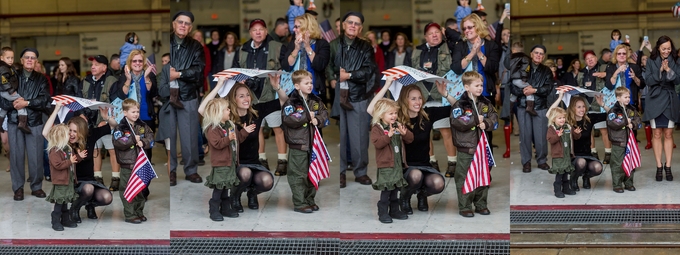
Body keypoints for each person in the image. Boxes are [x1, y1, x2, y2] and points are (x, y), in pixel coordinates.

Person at [369, 76, 446, 214]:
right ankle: (405, 197)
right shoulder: (396, 117)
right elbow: (371, 110)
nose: (418, 102)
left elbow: (456, 109)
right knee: (415, 176)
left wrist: (444, 94)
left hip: (425, 165)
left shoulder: (428, 114)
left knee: (438, 183)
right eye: (413, 98)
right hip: (405, 167)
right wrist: (386, 85)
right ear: (405, 100)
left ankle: (422, 195)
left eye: (420, 98)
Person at [41, 102, 115, 223]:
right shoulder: (64, 142)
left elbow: (114, 126)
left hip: (89, 180)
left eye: (75, 131)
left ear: (83, 131)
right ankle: (74, 209)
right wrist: (56, 110)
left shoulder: (90, 136)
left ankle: (90, 205)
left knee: (107, 197)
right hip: (71, 182)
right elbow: (45, 133)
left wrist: (107, 118)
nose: (71, 134)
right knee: (88, 189)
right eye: (69, 130)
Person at [327, 11, 376, 188]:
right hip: (340, 96)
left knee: (360, 137)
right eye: (350, 22)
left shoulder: (366, 47)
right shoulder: (333, 45)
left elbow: (368, 71)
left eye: (357, 24)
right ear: (344, 25)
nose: (353, 26)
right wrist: (332, 78)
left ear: (360, 28)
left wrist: (348, 75)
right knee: (343, 135)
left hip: (358, 96)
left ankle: (360, 172)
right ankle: (340, 173)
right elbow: (329, 65)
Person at [227, 75, 288, 213]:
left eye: (247, 95)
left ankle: (252, 193)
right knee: (245, 173)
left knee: (267, 181)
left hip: (254, 163)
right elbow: (205, 109)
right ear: (233, 99)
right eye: (241, 96)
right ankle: (235, 196)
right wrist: (221, 85)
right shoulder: (228, 116)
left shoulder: (256, 112)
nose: (246, 98)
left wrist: (276, 87)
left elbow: (284, 101)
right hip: (236, 165)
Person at [233, 18, 286, 172]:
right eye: (254, 30)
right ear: (250, 33)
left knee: (277, 128)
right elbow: (237, 70)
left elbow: (287, 67)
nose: (258, 32)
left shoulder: (277, 47)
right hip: (251, 98)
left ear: (266, 31)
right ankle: (261, 160)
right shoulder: (243, 49)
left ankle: (283, 161)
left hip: (271, 96)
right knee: (257, 130)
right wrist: (240, 80)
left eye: (261, 29)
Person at [451, 14, 500, 174]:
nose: (467, 30)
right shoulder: (460, 46)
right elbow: (457, 68)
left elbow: (492, 68)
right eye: (464, 28)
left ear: (478, 26)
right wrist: (472, 53)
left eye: (470, 27)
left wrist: (479, 52)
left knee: (485, 132)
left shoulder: (492, 46)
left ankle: (486, 170)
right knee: (467, 130)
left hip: (485, 93)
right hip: (465, 96)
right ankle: (470, 169)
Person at [2, 48, 50, 201]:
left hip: (35, 122)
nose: (30, 60)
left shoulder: (41, 79)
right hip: (15, 121)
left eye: (33, 58)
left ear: (36, 61)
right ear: (21, 60)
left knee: (36, 156)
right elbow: (2, 98)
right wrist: (16, 104)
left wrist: (26, 103)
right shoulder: (11, 76)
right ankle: (18, 188)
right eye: (27, 57)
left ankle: (36, 186)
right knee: (16, 156)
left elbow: (44, 100)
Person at [165, 11, 205, 185]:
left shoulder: (196, 47)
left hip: (188, 95)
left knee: (189, 136)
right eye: (180, 22)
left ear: (190, 28)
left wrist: (178, 74)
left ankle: (191, 170)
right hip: (167, 97)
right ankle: (171, 171)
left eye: (187, 23)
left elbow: (198, 72)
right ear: (174, 24)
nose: (183, 25)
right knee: (170, 135)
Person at [281, 70, 329, 213]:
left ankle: (310, 200)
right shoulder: (292, 102)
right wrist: (307, 116)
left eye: (311, 82)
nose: (310, 85)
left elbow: (325, 116)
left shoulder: (316, 101)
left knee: (313, 174)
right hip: (299, 145)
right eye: (306, 83)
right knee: (298, 175)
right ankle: (300, 202)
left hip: (314, 145)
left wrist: (318, 120)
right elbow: (288, 119)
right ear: (297, 86)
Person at [450, 71, 497, 217]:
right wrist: (476, 120)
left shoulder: (486, 103)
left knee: (483, 176)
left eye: (481, 85)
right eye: (476, 85)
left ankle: (481, 204)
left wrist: (487, 123)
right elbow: (457, 122)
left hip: (482, 148)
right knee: (464, 177)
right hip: (467, 149)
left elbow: (494, 118)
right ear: (466, 87)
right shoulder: (460, 104)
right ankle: (464, 206)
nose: (480, 88)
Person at [198, 86, 245, 221]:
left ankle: (225, 208)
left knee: (226, 188)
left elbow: (238, 139)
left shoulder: (229, 125)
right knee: (219, 189)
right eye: (226, 109)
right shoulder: (212, 129)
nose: (229, 111)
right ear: (219, 113)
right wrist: (228, 138)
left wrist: (244, 132)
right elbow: (217, 144)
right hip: (220, 164)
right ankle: (214, 209)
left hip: (230, 162)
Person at [642, 35, 680, 182]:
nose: (666, 51)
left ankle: (668, 166)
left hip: (670, 98)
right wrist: (660, 71)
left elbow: (678, 79)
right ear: (658, 48)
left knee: (669, 134)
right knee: (656, 133)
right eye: (664, 49)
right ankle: (659, 166)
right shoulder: (651, 60)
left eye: (669, 48)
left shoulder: (676, 59)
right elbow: (649, 80)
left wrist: (669, 70)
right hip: (654, 98)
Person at [510, 45, 552, 173]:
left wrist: (535, 90)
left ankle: (542, 161)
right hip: (523, 106)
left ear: (543, 57)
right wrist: (524, 91)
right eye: (536, 53)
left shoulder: (546, 71)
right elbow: (512, 86)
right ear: (531, 54)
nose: (538, 55)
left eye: (541, 54)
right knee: (525, 136)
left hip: (540, 107)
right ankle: (526, 162)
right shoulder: (521, 66)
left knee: (540, 137)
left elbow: (548, 88)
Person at [111, 98, 154, 224]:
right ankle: (130, 214)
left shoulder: (143, 126)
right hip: (127, 165)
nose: (136, 114)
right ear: (125, 113)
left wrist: (143, 142)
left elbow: (151, 139)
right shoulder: (120, 128)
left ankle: (138, 212)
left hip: (140, 164)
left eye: (137, 111)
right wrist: (132, 140)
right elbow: (118, 142)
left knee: (140, 190)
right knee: (127, 189)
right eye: (133, 112)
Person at [369, 98, 411, 223]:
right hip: (386, 165)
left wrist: (405, 133)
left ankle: (394, 210)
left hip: (397, 164)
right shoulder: (377, 128)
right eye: (390, 113)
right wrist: (388, 136)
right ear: (381, 115)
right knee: (387, 190)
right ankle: (382, 212)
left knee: (395, 189)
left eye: (395, 113)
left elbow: (410, 139)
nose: (394, 116)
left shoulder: (398, 125)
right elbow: (377, 143)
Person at [82, 55, 120, 186]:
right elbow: (81, 100)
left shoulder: (112, 81)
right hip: (90, 123)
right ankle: (98, 178)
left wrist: (107, 120)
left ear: (104, 68)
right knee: (95, 150)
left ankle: (116, 179)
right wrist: (82, 115)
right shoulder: (86, 81)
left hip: (106, 122)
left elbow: (115, 102)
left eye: (96, 64)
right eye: (92, 64)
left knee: (112, 150)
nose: (93, 66)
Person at [43, 123, 80, 231]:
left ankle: (65, 219)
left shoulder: (66, 148)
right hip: (60, 181)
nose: (70, 135)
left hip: (68, 180)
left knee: (65, 201)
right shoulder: (54, 151)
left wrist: (79, 157)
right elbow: (58, 165)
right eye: (67, 134)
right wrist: (70, 161)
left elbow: (72, 160)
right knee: (59, 202)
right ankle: (55, 220)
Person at [605, 87, 640, 193]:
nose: (628, 99)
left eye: (629, 97)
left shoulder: (632, 109)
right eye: (625, 97)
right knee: (617, 164)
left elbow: (638, 121)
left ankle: (629, 183)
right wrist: (625, 121)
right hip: (618, 142)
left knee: (630, 163)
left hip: (630, 142)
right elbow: (613, 123)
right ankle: (617, 184)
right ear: (618, 98)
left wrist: (632, 124)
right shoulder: (614, 111)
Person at [545, 107, 577, 198]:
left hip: (566, 155)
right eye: (559, 118)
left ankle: (566, 188)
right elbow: (550, 139)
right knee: (560, 174)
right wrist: (557, 136)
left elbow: (574, 136)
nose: (562, 120)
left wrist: (577, 133)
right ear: (553, 119)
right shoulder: (552, 129)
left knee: (566, 173)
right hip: (558, 156)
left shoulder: (567, 126)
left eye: (563, 117)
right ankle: (557, 190)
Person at [0, 49, 28, 133]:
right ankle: (22, 124)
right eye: (8, 58)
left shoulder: (9, 67)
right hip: (7, 91)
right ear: (1, 58)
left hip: (5, 92)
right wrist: (12, 91)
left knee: (4, 109)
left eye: (12, 58)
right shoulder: (3, 68)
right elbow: (3, 81)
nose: (10, 60)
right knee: (21, 101)